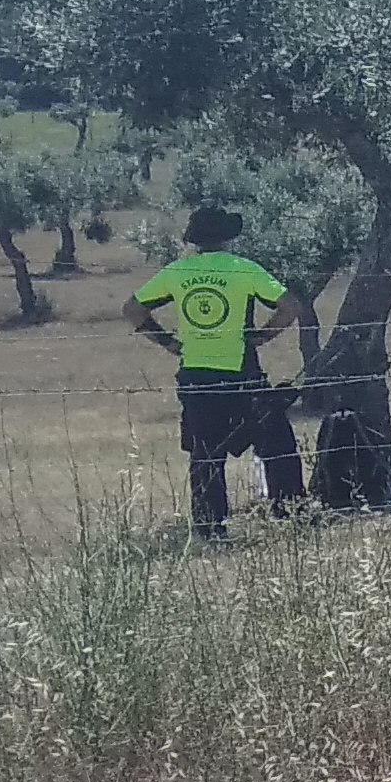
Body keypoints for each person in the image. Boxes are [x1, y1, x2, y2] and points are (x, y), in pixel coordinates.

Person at [131, 204, 305, 539]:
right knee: (276, 442)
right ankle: (290, 512)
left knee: (205, 454)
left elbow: (133, 309)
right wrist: (263, 336)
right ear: (227, 237)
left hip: (196, 375)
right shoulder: (244, 269)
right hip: (243, 374)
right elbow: (290, 307)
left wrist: (168, 342)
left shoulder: (178, 272)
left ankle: (210, 526)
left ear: (195, 239)